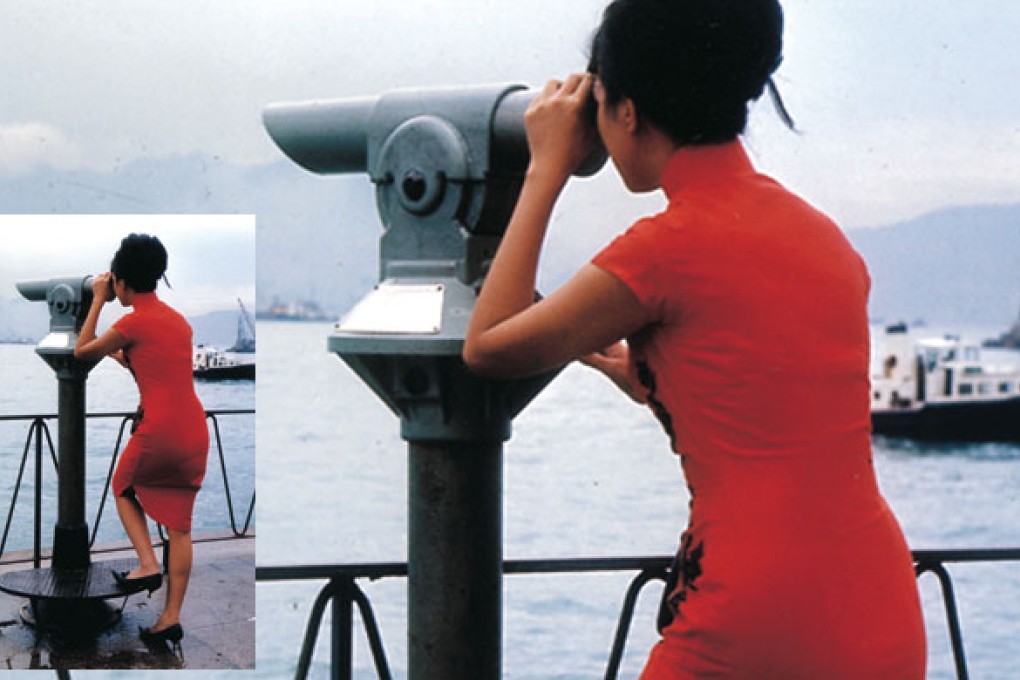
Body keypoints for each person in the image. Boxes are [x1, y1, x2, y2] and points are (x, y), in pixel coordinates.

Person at [463, 0, 926, 676]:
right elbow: (759, 405)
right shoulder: (825, 239)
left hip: (750, 611)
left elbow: (488, 346)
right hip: (876, 601)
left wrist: (546, 168)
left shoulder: (663, 249)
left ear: (625, 111)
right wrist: (636, 370)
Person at [74, 233, 209, 649]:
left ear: (121, 281)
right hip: (194, 430)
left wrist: (97, 298)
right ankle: (169, 618)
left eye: (113, 281)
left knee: (122, 487)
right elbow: (154, 368)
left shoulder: (130, 322)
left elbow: (81, 352)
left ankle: (148, 564)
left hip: (160, 428)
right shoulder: (179, 322)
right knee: (180, 529)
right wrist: (124, 356)